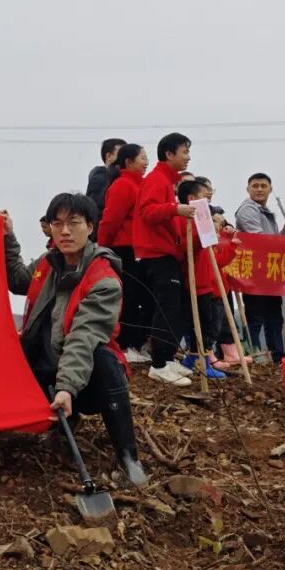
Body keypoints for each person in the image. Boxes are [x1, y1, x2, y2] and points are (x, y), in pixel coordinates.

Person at [2, 193, 146, 487]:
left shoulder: (103, 279)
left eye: (74, 223)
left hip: (82, 379)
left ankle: (129, 458)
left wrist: (66, 388)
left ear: (90, 227)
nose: (65, 231)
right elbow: (17, 280)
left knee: (104, 361)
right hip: (41, 368)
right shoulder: (48, 263)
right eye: (57, 224)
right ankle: (57, 421)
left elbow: (82, 339)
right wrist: (8, 236)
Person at [133, 133, 197, 387]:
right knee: (166, 307)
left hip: (165, 251)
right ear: (169, 154)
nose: (188, 157)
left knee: (173, 306)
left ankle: (168, 358)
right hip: (156, 253)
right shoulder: (156, 180)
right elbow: (147, 212)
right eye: (184, 152)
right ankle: (159, 364)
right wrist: (176, 209)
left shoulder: (167, 182)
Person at [176, 178, 238, 377]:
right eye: (204, 194)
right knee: (199, 325)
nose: (208, 197)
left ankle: (198, 359)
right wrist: (201, 236)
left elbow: (215, 259)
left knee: (208, 325)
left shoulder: (203, 220)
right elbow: (186, 247)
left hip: (207, 283)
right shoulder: (184, 220)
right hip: (195, 282)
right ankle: (198, 361)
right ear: (191, 198)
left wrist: (229, 245)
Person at [97, 143, 151, 363]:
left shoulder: (140, 185)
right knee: (129, 297)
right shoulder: (123, 185)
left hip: (138, 249)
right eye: (143, 158)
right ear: (128, 162)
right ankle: (126, 344)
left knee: (140, 296)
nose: (147, 162)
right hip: (123, 249)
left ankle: (136, 344)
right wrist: (103, 249)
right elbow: (110, 220)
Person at [234, 173, 285, 363]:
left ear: (270, 189)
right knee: (255, 316)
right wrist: (283, 240)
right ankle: (252, 355)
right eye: (255, 186)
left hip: (269, 272)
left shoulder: (265, 211)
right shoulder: (248, 210)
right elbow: (260, 241)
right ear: (248, 189)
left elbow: (270, 240)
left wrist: (282, 234)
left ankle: (277, 355)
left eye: (263, 186)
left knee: (274, 316)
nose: (259, 189)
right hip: (255, 272)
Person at [86, 138, 126, 216]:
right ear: (109, 156)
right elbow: (95, 209)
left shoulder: (121, 178)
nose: (125, 159)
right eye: (121, 155)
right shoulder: (99, 179)